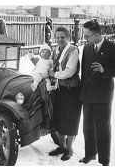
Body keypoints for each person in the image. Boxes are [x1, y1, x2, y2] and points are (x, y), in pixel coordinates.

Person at [79, 20, 115, 166]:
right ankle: (90, 154)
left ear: (97, 34)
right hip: (87, 94)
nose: (85, 39)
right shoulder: (86, 48)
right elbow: (84, 72)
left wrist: (104, 70)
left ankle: (104, 160)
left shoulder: (113, 47)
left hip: (103, 95)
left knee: (103, 127)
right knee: (87, 127)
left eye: (87, 36)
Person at [43, 26, 81, 161]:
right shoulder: (56, 50)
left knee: (70, 120)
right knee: (59, 118)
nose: (59, 39)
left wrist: (55, 74)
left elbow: (69, 71)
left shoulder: (73, 51)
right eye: (57, 37)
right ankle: (62, 146)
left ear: (68, 38)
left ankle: (69, 149)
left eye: (62, 37)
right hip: (59, 89)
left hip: (71, 90)